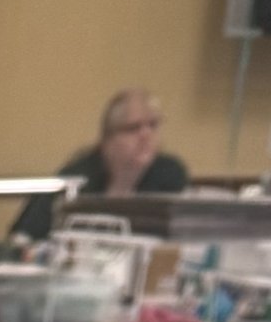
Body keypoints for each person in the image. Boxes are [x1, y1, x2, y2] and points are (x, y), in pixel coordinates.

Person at [12, 91, 188, 242]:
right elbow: (24, 235)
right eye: (133, 128)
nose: (146, 135)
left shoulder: (169, 174)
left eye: (153, 125)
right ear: (108, 139)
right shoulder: (77, 177)